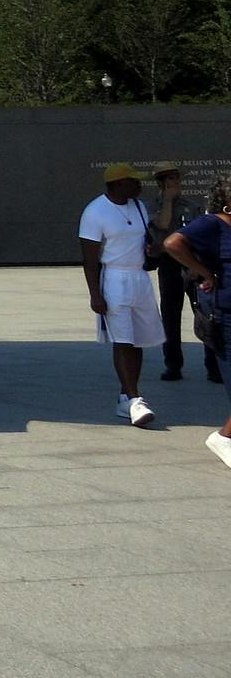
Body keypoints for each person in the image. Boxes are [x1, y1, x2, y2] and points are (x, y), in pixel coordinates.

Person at [158, 177, 231, 470]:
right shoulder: (212, 224)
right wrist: (204, 272)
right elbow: (172, 243)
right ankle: (223, 438)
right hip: (226, 315)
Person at [81, 164, 158, 427]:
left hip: (139, 278)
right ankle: (134, 399)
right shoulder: (95, 211)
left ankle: (127, 397)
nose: (139, 185)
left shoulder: (139, 207)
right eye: (134, 181)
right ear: (118, 183)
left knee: (137, 339)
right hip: (113, 279)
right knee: (123, 339)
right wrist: (95, 294)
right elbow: (89, 258)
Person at [149, 165, 208, 381]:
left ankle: (213, 366)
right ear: (161, 183)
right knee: (170, 316)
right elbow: (162, 224)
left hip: (192, 264)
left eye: (177, 179)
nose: (176, 184)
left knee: (203, 313)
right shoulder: (153, 206)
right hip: (169, 264)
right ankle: (173, 365)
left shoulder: (192, 207)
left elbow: (201, 238)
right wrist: (167, 201)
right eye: (170, 180)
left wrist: (196, 265)